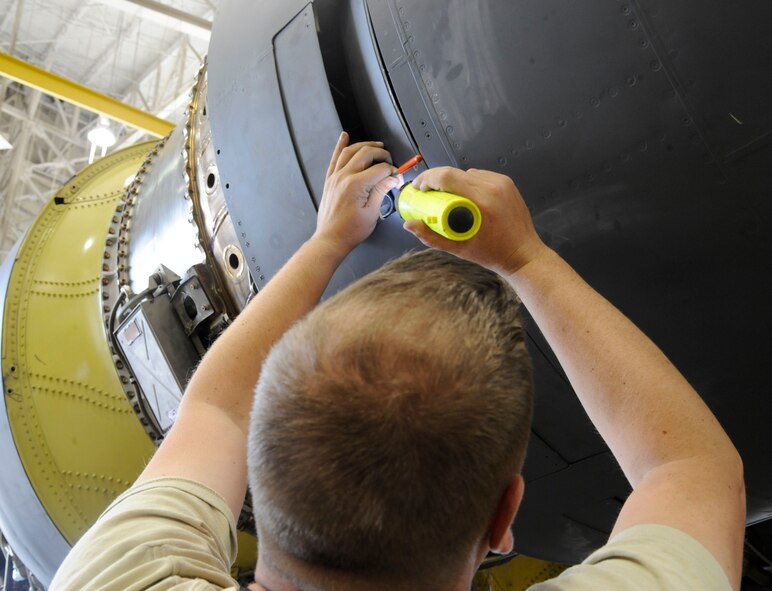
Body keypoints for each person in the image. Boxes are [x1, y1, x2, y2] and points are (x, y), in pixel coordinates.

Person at [50, 132, 745, 591]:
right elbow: (692, 469)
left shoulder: (117, 575)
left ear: (256, 472)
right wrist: (525, 258)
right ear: (505, 515)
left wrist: (327, 241)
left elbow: (212, 408)